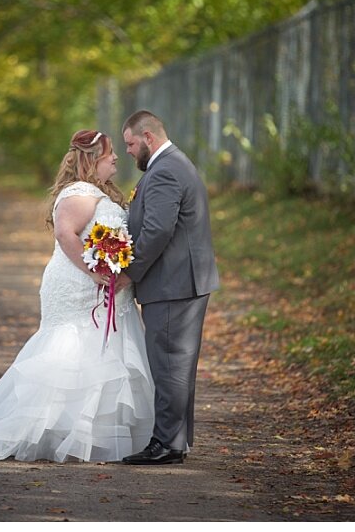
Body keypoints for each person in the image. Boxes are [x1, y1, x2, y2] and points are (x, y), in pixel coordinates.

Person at [0, 129, 155, 462]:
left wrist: (113, 264)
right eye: (109, 154)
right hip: (80, 287)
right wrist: (95, 271)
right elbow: (67, 234)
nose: (115, 158)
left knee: (97, 354)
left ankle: (86, 433)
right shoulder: (79, 192)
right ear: (92, 160)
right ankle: (54, 432)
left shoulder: (96, 191)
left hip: (103, 291)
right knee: (72, 350)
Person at [118, 110, 219, 465]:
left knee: (169, 364)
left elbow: (158, 230)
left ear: (148, 137)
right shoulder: (173, 165)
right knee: (176, 363)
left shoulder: (164, 171)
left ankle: (166, 444)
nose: (127, 151)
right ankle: (174, 441)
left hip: (173, 282)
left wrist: (129, 272)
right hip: (179, 280)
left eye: (130, 143)